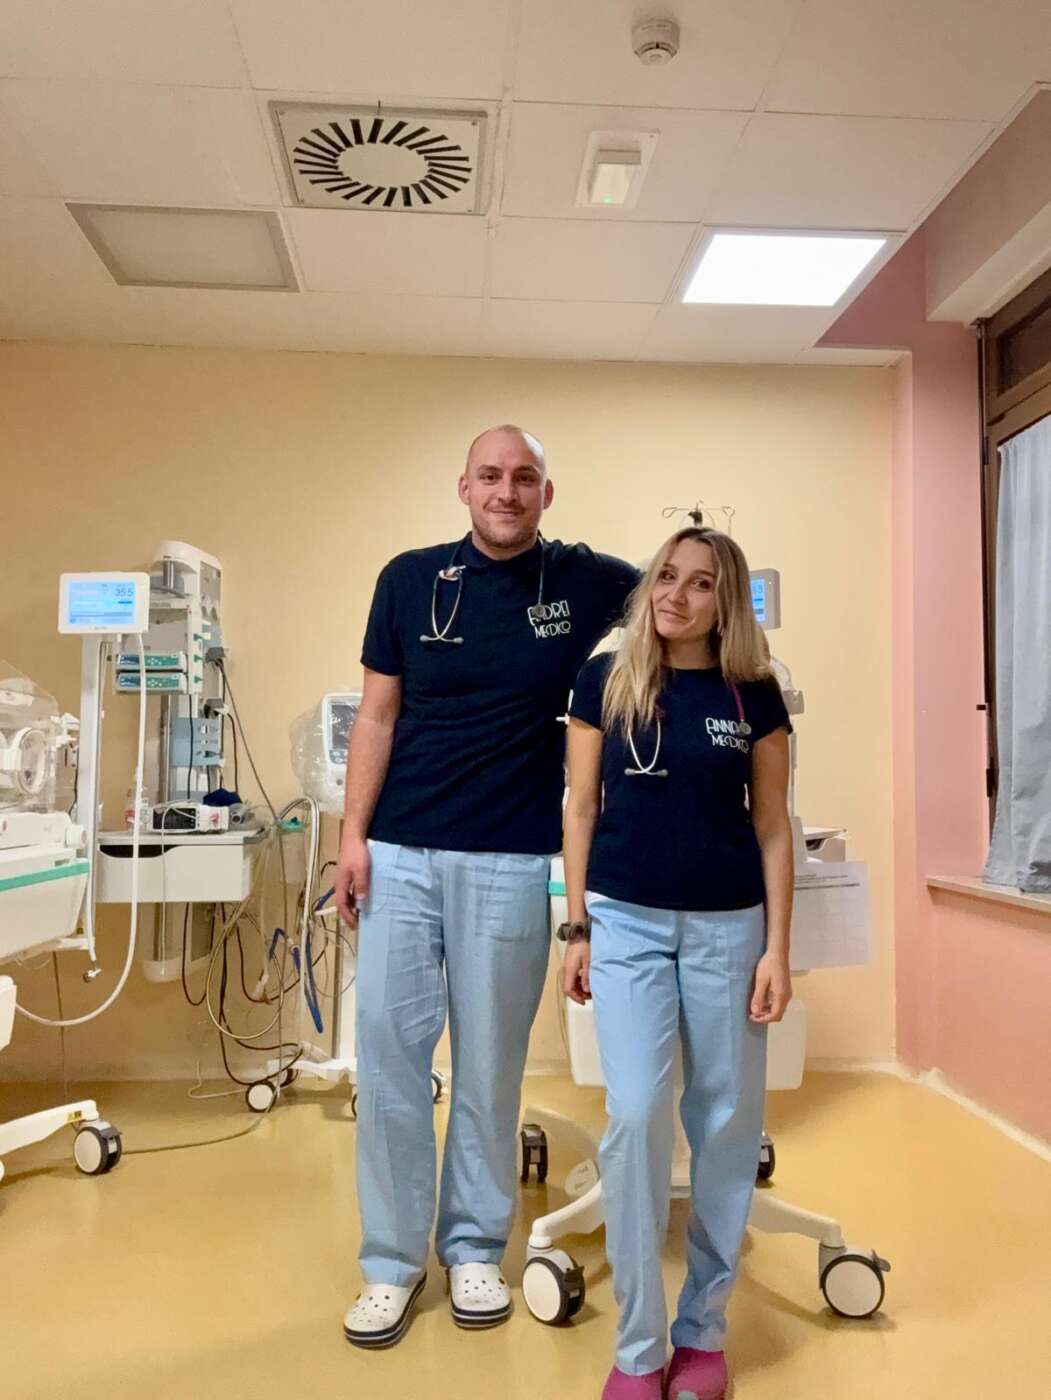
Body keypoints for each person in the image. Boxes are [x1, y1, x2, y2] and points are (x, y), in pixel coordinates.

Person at [335, 424, 638, 1348]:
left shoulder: (582, 581)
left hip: (508, 859)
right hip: (401, 852)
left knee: (489, 1067)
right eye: (491, 476)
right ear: (463, 488)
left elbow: (680, 602)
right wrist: (352, 837)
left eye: (524, 478)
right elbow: (377, 715)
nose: (507, 492)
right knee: (390, 1061)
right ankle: (390, 1263)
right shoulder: (409, 579)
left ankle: (472, 1248)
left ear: (547, 493)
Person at [561, 526, 793, 1400]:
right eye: (665, 576)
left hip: (728, 928)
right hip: (624, 921)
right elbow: (579, 808)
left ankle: (702, 1332)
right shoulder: (605, 680)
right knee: (634, 1115)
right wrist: (576, 929)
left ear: (723, 603)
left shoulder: (751, 694)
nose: (675, 595)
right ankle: (637, 1348)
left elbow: (772, 825)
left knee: (726, 1122)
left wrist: (776, 949)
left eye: (699, 584)